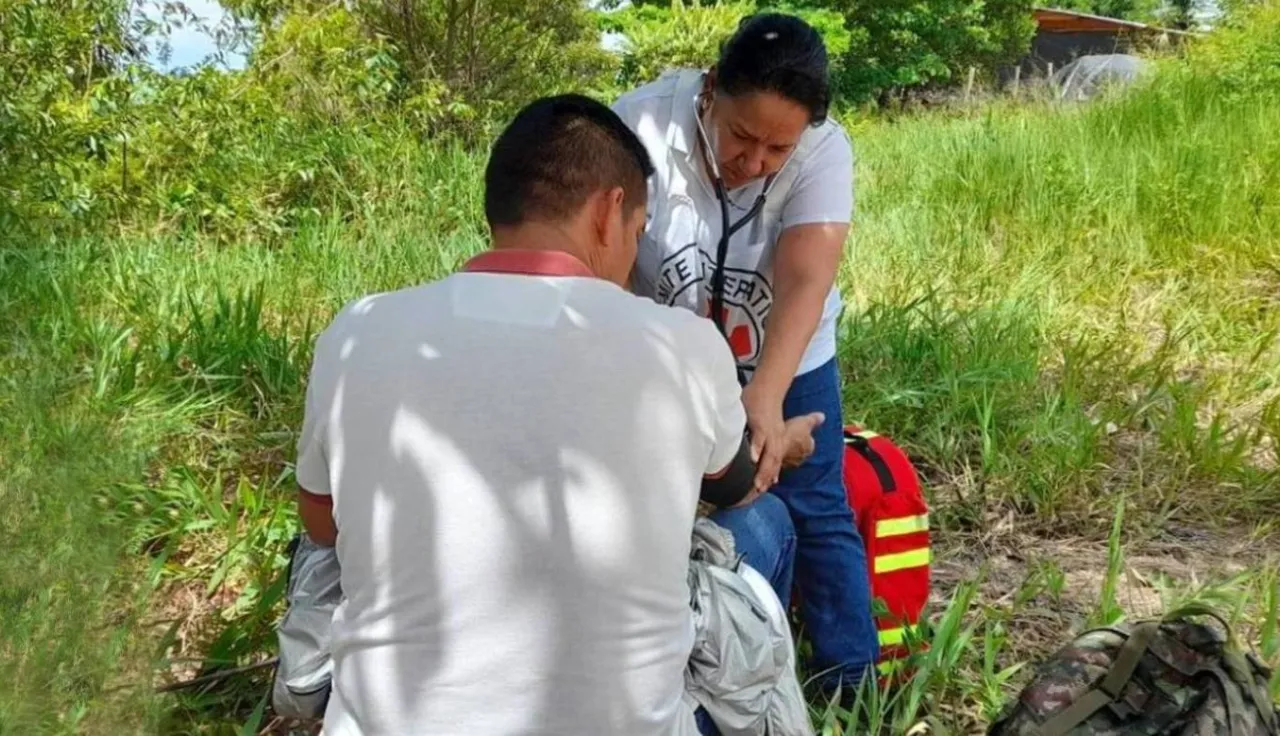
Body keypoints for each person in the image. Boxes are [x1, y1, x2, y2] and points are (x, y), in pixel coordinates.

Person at [292, 93, 820, 735]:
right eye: (637, 230)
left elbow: (322, 528)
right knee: (766, 520)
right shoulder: (678, 342)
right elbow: (734, 486)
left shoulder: (358, 332)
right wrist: (784, 444)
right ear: (609, 211)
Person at [611, 12, 879, 693]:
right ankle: (696, 670)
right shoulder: (636, 128)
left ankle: (852, 683)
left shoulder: (825, 149)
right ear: (709, 91)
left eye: (776, 150)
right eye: (741, 136)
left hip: (787, 350)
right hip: (663, 356)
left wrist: (765, 392)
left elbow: (806, 275)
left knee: (815, 503)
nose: (753, 163)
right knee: (658, 499)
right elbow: (599, 264)